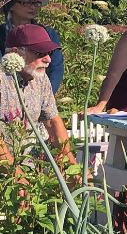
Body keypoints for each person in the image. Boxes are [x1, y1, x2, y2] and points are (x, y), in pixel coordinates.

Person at [0, 24, 77, 170]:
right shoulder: (2, 79)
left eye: (50, 53)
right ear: (15, 53)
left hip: (31, 167)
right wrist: (16, 177)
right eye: (39, 53)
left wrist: (72, 168)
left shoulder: (40, 78)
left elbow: (52, 121)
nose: (48, 59)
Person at [1, 0, 63, 93]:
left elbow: (56, 68)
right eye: (27, 3)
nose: (33, 7)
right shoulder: (1, 34)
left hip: (40, 92)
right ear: (11, 6)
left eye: (36, 3)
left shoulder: (48, 33)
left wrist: (47, 95)